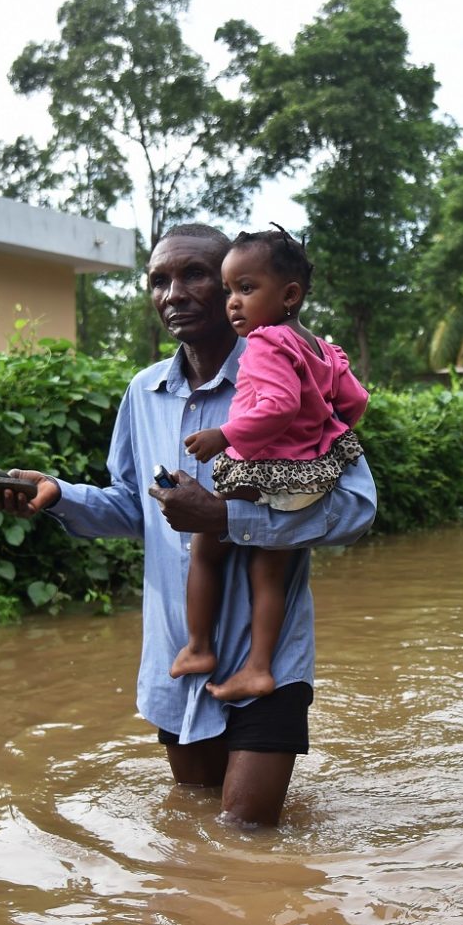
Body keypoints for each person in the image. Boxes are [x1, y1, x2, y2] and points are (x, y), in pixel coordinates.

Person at [0, 224, 376, 828]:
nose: (174, 293)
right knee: (192, 831)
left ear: (244, 288)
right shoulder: (144, 392)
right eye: (159, 280)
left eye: (195, 275)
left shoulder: (291, 375)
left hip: (269, 660)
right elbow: (136, 507)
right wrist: (57, 497)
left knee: (245, 834)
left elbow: (356, 509)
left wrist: (228, 517)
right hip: (177, 654)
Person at [174, 226, 369, 702]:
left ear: (289, 295)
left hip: (262, 468)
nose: (233, 303)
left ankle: (199, 646)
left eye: (246, 288)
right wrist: (321, 431)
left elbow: (277, 407)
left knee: (204, 547)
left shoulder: (266, 343)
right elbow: (355, 400)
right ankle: (258, 667)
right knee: (269, 572)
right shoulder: (322, 349)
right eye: (228, 291)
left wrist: (225, 435)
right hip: (311, 473)